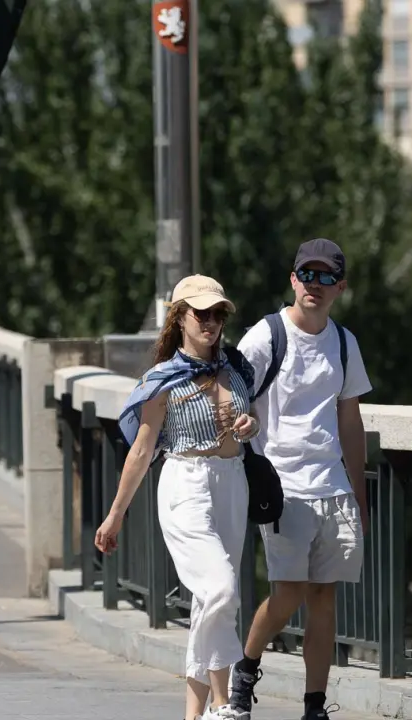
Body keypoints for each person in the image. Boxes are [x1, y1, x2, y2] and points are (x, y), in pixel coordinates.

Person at [95, 275, 260, 720]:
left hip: (232, 483)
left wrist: (251, 425)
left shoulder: (236, 367)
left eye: (217, 314)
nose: (210, 322)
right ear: (179, 318)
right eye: (200, 313)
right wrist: (115, 515)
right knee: (221, 587)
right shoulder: (163, 379)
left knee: (211, 600)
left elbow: (253, 417)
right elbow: (142, 450)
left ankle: (192, 715)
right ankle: (224, 703)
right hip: (186, 482)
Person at [229, 238, 372, 720]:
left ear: (340, 287)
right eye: (307, 274)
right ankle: (246, 668)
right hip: (283, 486)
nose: (315, 284)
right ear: (293, 280)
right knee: (287, 593)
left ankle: (314, 705)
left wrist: (360, 495)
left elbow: (350, 420)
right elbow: (233, 393)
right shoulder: (267, 336)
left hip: (332, 487)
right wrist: (243, 424)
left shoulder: (344, 343)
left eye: (326, 276)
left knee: (323, 598)